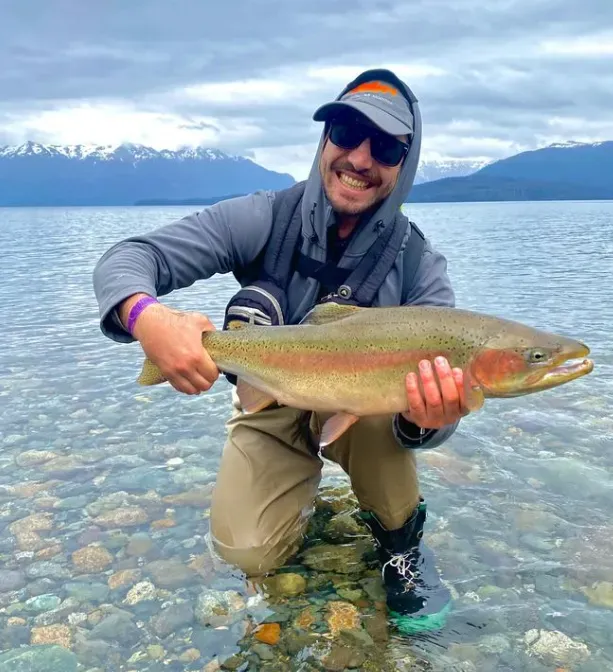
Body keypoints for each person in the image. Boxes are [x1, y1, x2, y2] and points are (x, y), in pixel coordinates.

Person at [93, 68, 471, 635]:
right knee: (249, 553)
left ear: (405, 166)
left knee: (390, 400)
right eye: (346, 132)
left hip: (365, 414)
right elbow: (129, 258)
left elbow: (437, 420)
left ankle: (401, 545)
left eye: (387, 147)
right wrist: (147, 316)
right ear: (324, 141)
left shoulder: (418, 265)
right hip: (269, 399)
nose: (361, 158)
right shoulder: (264, 217)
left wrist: (428, 423)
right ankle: (302, 507)